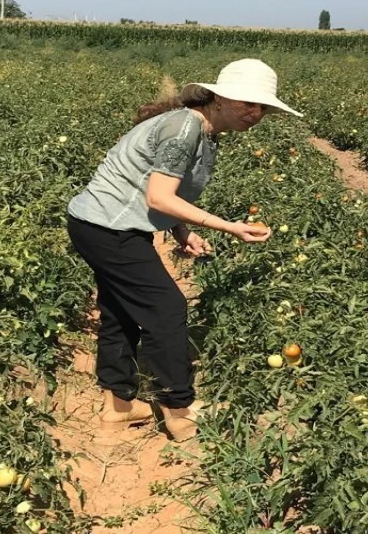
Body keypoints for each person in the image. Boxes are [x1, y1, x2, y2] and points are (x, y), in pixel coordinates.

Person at [67, 59, 301, 442]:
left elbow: (158, 190)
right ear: (220, 97)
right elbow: (159, 195)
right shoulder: (184, 128)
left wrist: (180, 232)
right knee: (167, 309)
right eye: (247, 103)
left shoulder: (203, 130)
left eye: (263, 107)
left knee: (120, 312)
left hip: (103, 224)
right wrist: (229, 226)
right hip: (108, 228)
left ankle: (118, 407)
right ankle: (180, 410)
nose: (255, 114)